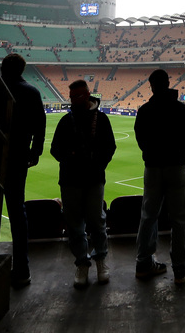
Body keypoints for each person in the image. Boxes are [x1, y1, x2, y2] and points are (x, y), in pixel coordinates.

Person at [0, 53, 46, 289]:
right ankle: (22, 270)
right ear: (22, 70)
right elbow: (40, 125)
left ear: (1, 68)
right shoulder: (32, 92)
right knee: (17, 213)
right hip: (18, 159)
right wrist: (35, 152)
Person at [50, 80, 116, 288]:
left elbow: (110, 147)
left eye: (79, 95)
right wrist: (71, 157)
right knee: (74, 224)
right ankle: (81, 263)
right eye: (72, 97)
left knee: (97, 220)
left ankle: (101, 260)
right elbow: (55, 149)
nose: (76, 100)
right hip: (70, 180)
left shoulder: (102, 119)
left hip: (94, 178)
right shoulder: (65, 121)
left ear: (88, 94)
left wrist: (97, 164)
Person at [134, 68, 185, 284]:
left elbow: (140, 138)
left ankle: (143, 264)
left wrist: (151, 154)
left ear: (151, 86)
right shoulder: (182, 110)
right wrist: (178, 154)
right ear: (168, 83)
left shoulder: (144, 111)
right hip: (176, 167)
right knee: (179, 219)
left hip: (152, 167)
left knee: (148, 215)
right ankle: (179, 269)